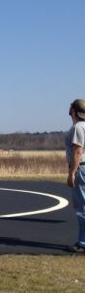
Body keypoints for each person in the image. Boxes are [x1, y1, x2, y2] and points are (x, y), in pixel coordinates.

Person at [66, 99, 85, 253]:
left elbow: (78, 152)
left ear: (73, 110)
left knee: (82, 207)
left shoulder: (78, 127)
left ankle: (83, 242)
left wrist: (72, 173)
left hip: (81, 169)